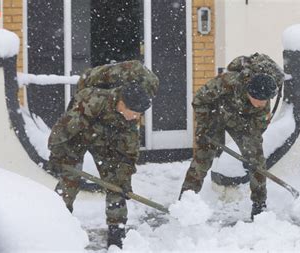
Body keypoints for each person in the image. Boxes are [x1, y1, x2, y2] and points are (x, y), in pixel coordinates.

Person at [47, 60, 159, 248]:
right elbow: (62, 131)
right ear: (122, 103)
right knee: (69, 179)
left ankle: (117, 235)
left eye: (140, 114)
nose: (137, 117)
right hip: (80, 132)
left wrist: (125, 181)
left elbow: (129, 153)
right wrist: (56, 156)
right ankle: (56, 224)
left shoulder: (130, 121)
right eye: (135, 113)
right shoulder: (91, 100)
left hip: (107, 137)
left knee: (116, 182)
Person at [178, 53, 284, 220]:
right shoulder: (228, 82)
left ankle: (259, 205)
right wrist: (204, 127)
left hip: (243, 122)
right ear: (249, 91)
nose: (261, 104)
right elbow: (199, 100)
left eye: (265, 101)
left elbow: (259, 128)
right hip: (216, 114)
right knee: (203, 158)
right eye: (258, 100)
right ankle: (185, 201)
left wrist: (250, 146)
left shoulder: (264, 97)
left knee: (257, 161)